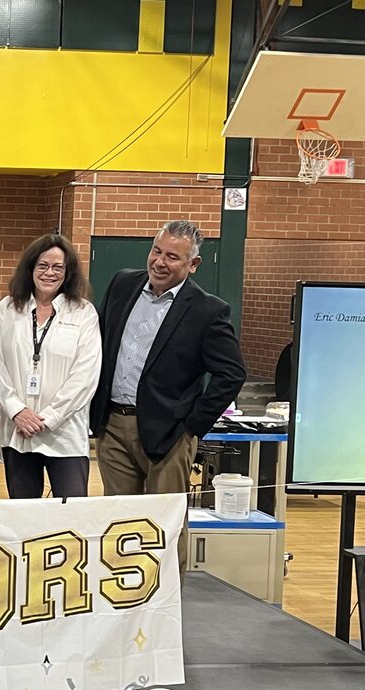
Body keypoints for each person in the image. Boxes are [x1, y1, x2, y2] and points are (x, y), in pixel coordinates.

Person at [89, 220, 246, 573]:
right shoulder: (122, 284)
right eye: (156, 251)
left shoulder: (208, 311)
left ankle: (166, 614)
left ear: (193, 265)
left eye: (172, 257)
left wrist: (192, 427)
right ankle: (124, 612)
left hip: (170, 436)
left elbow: (232, 373)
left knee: (165, 527)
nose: (159, 262)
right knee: (119, 524)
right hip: (112, 426)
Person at [0, 234, 101, 499]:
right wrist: (17, 411)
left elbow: (85, 376)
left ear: (68, 272)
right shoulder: (8, 308)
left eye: (58, 267)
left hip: (64, 436)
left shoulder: (83, 312)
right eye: (42, 265)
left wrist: (48, 418)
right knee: (24, 519)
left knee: (70, 518)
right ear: (30, 267)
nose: (49, 273)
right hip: (19, 434)